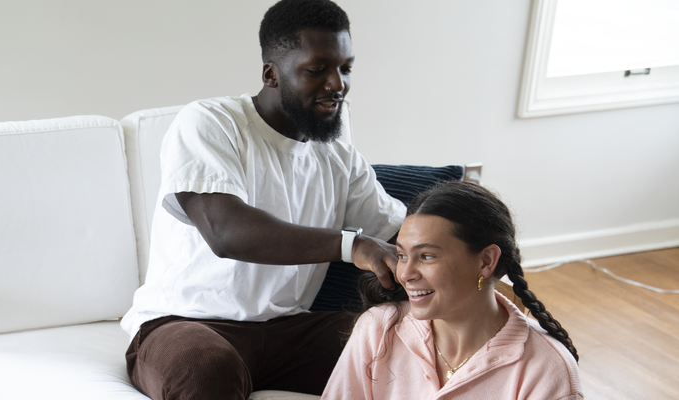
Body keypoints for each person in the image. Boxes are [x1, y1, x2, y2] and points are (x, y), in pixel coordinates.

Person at [121, 0, 406, 398]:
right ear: (271, 74)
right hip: (184, 324)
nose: (337, 84)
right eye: (317, 70)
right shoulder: (210, 123)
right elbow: (226, 232)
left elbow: (395, 234)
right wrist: (351, 245)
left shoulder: (338, 153)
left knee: (408, 340)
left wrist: (469, 266)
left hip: (289, 329)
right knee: (208, 369)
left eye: (345, 68)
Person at [322, 181, 583, 399]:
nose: (405, 274)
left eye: (426, 256)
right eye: (402, 255)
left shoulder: (548, 369)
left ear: (486, 261)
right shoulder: (377, 329)